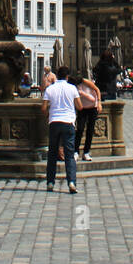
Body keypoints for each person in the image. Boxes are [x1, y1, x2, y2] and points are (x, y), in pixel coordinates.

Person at [42, 65, 82, 193]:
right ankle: (71, 182)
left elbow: (43, 108)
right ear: (67, 76)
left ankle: (50, 183)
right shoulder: (72, 88)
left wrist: (49, 115)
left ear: (57, 76)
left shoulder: (50, 89)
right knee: (69, 154)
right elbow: (80, 106)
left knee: (52, 153)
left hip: (54, 122)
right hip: (68, 122)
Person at [72, 73, 101, 160]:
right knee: (79, 129)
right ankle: (76, 151)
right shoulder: (73, 86)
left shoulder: (86, 82)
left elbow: (97, 90)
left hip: (93, 107)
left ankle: (86, 152)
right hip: (82, 108)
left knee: (90, 130)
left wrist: (99, 103)